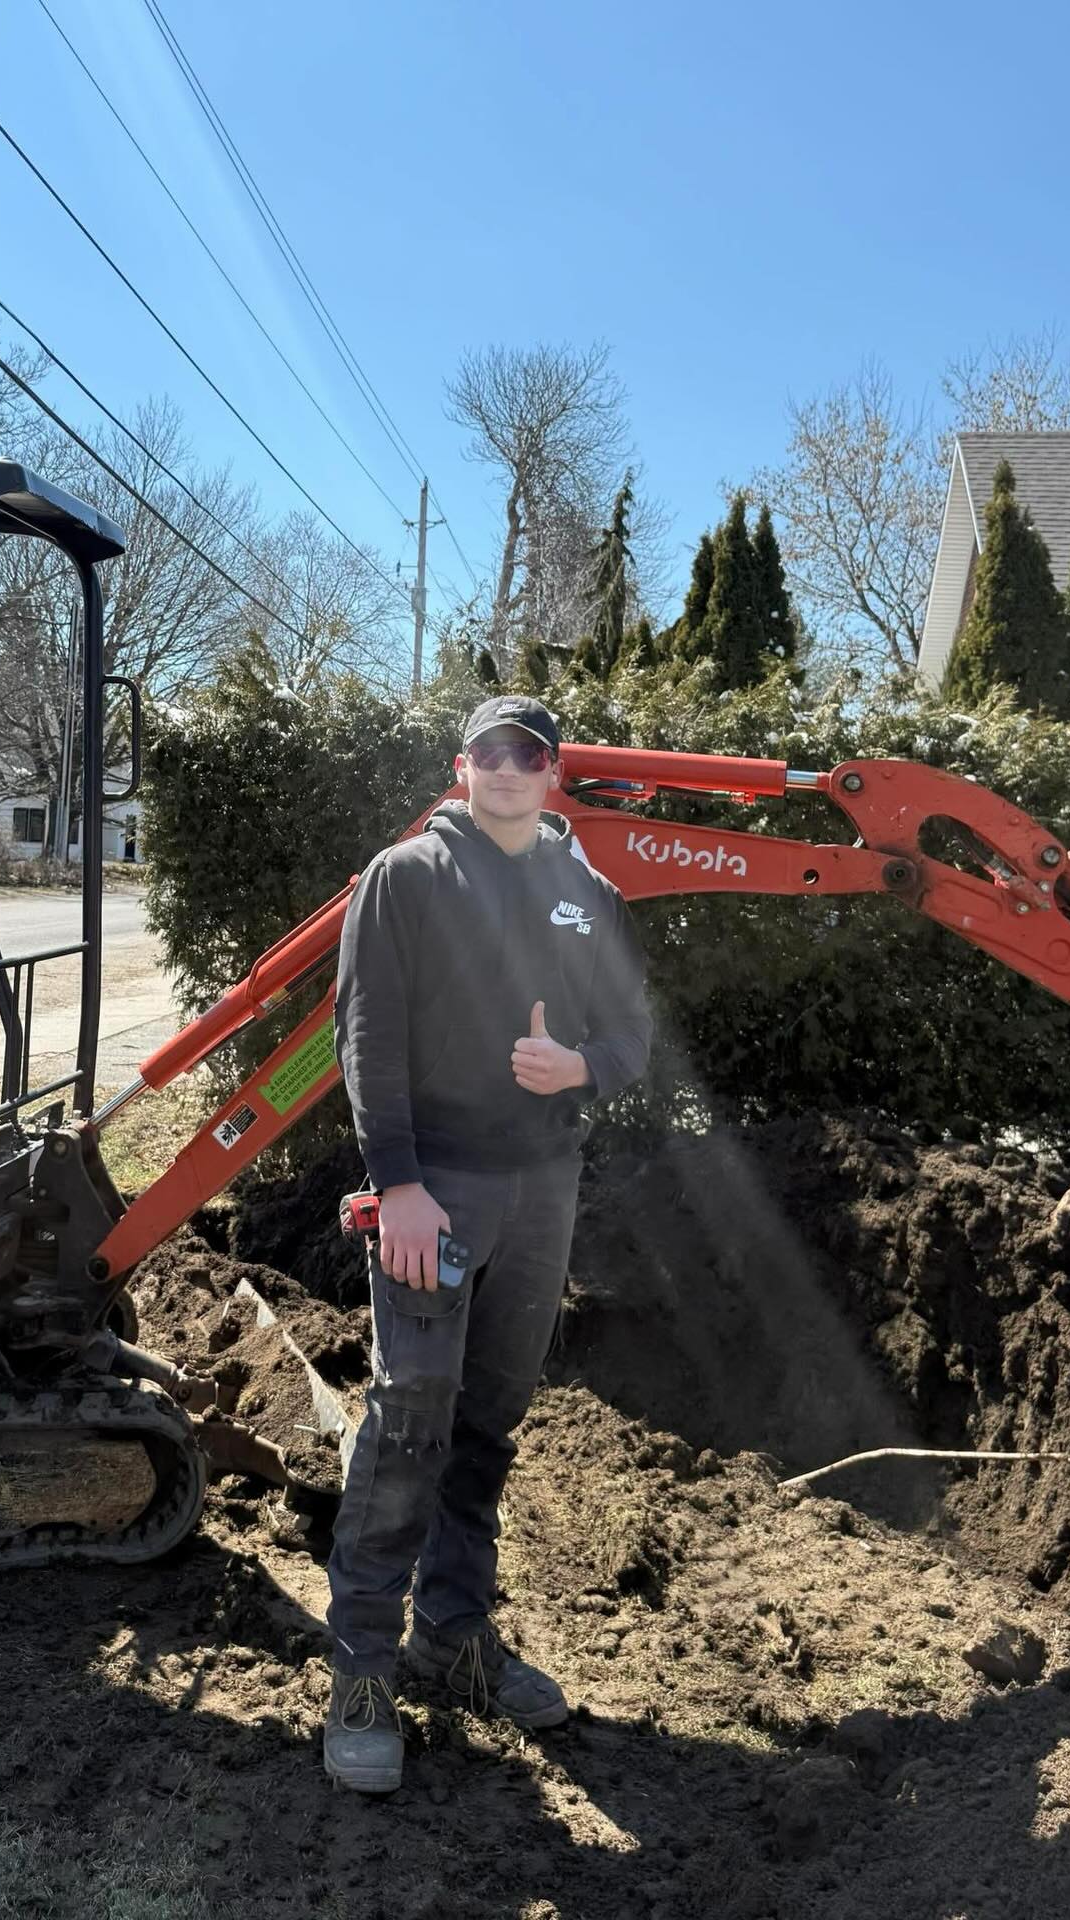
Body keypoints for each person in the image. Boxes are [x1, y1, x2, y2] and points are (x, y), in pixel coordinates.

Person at [323, 693, 653, 1793]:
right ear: (462, 767)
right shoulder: (407, 876)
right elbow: (367, 1036)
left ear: (554, 772)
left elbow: (632, 1033)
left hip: (543, 1185)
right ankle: (362, 1668)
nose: (510, 768)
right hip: (438, 1192)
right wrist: (399, 1184)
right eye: (491, 752)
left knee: (489, 1419)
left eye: (532, 753)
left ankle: (452, 1638)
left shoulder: (587, 891)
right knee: (411, 1408)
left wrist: (586, 1069)